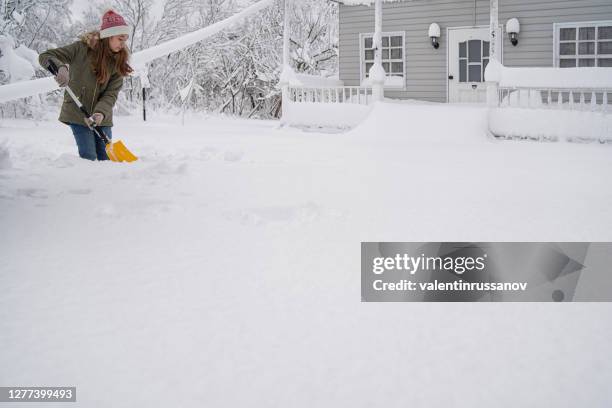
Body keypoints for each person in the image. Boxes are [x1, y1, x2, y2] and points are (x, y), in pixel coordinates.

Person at [39, 9, 133, 161]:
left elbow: (111, 94)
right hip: (78, 112)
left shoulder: (118, 62)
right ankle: (88, 184)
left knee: (106, 157)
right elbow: (46, 56)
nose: (123, 44)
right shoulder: (81, 49)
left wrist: (100, 113)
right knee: (89, 156)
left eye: (125, 39)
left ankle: (107, 184)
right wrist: (60, 68)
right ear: (108, 36)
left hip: (102, 116)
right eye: (120, 39)